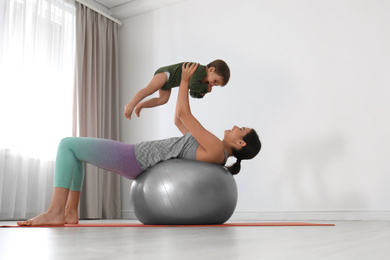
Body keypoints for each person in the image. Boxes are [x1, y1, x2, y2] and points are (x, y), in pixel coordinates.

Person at [17, 63, 260, 227]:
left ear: (239, 142)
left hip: (136, 158)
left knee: (66, 145)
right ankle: (69, 212)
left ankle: (56, 211)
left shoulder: (217, 149)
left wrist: (185, 81)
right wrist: (170, 89)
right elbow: (178, 119)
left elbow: (185, 115)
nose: (235, 125)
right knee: (76, 154)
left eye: (240, 129)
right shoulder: (213, 151)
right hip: (140, 160)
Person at [124, 59, 230, 120]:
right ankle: (132, 104)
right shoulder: (200, 70)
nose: (212, 84)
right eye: (215, 81)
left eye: (215, 85)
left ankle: (140, 105)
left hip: (169, 83)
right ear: (211, 69)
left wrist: (200, 94)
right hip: (167, 74)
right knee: (150, 90)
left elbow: (192, 92)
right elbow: (192, 84)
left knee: (163, 100)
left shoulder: (204, 81)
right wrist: (206, 89)